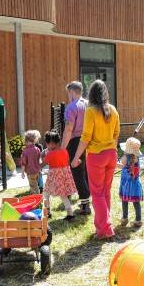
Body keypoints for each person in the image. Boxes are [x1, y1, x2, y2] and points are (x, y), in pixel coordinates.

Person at [71, 80, 120, 239]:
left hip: (96, 157)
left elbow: (85, 137)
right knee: (105, 191)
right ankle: (101, 227)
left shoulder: (91, 111)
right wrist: (113, 151)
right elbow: (116, 134)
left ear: (91, 94)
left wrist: (76, 157)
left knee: (97, 193)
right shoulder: (113, 110)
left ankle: (105, 229)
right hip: (111, 154)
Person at [61, 81, 91, 215]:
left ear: (72, 92)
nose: (68, 95)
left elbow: (68, 129)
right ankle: (87, 200)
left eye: (68, 93)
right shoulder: (88, 104)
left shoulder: (71, 107)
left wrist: (62, 148)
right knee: (85, 170)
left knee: (77, 172)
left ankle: (85, 205)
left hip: (75, 141)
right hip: (88, 140)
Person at [42, 131, 77, 221]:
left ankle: (47, 212)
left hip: (54, 177)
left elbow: (43, 163)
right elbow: (67, 162)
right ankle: (70, 214)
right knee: (63, 195)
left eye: (47, 143)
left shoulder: (50, 154)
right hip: (64, 175)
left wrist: (42, 156)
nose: (47, 146)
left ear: (52, 143)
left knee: (46, 193)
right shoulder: (64, 151)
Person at [118, 137, 144, 228]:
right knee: (136, 202)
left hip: (126, 184)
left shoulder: (125, 157)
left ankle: (124, 218)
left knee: (124, 201)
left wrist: (112, 163)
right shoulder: (136, 158)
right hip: (135, 184)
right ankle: (138, 220)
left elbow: (121, 166)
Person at [20, 130, 43, 194]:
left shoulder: (25, 151)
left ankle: (37, 197)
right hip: (37, 171)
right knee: (35, 184)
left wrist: (22, 172)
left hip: (30, 172)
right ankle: (34, 193)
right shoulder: (37, 149)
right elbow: (40, 160)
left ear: (26, 140)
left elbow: (23, 163)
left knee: (33, 186)